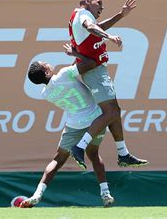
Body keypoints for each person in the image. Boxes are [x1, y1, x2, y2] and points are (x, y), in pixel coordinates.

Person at [11, 44, 114, 208]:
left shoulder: (45, 93)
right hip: (95, 120)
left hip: (74, 124)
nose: (49, 63)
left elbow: (71, 72)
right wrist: (75, 53)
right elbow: (91, 64)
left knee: (58, 159)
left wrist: (75, 59)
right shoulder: (65, 74)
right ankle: (105, 193)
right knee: (93, 154)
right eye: (46, 64)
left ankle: (37, 195)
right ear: (46, 72)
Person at [68, 0, 148, 169]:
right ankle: (79, 146)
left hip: (97, 70)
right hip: (95, 71)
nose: (102, 8)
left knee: (115, 111)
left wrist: (120, 15)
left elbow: (96, 27)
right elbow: (91, 27)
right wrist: (109, 37)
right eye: (99, 3)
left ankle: (123, 154)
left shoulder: (81, 15)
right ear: (87, 2)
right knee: (111, 112)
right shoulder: (83, 14)